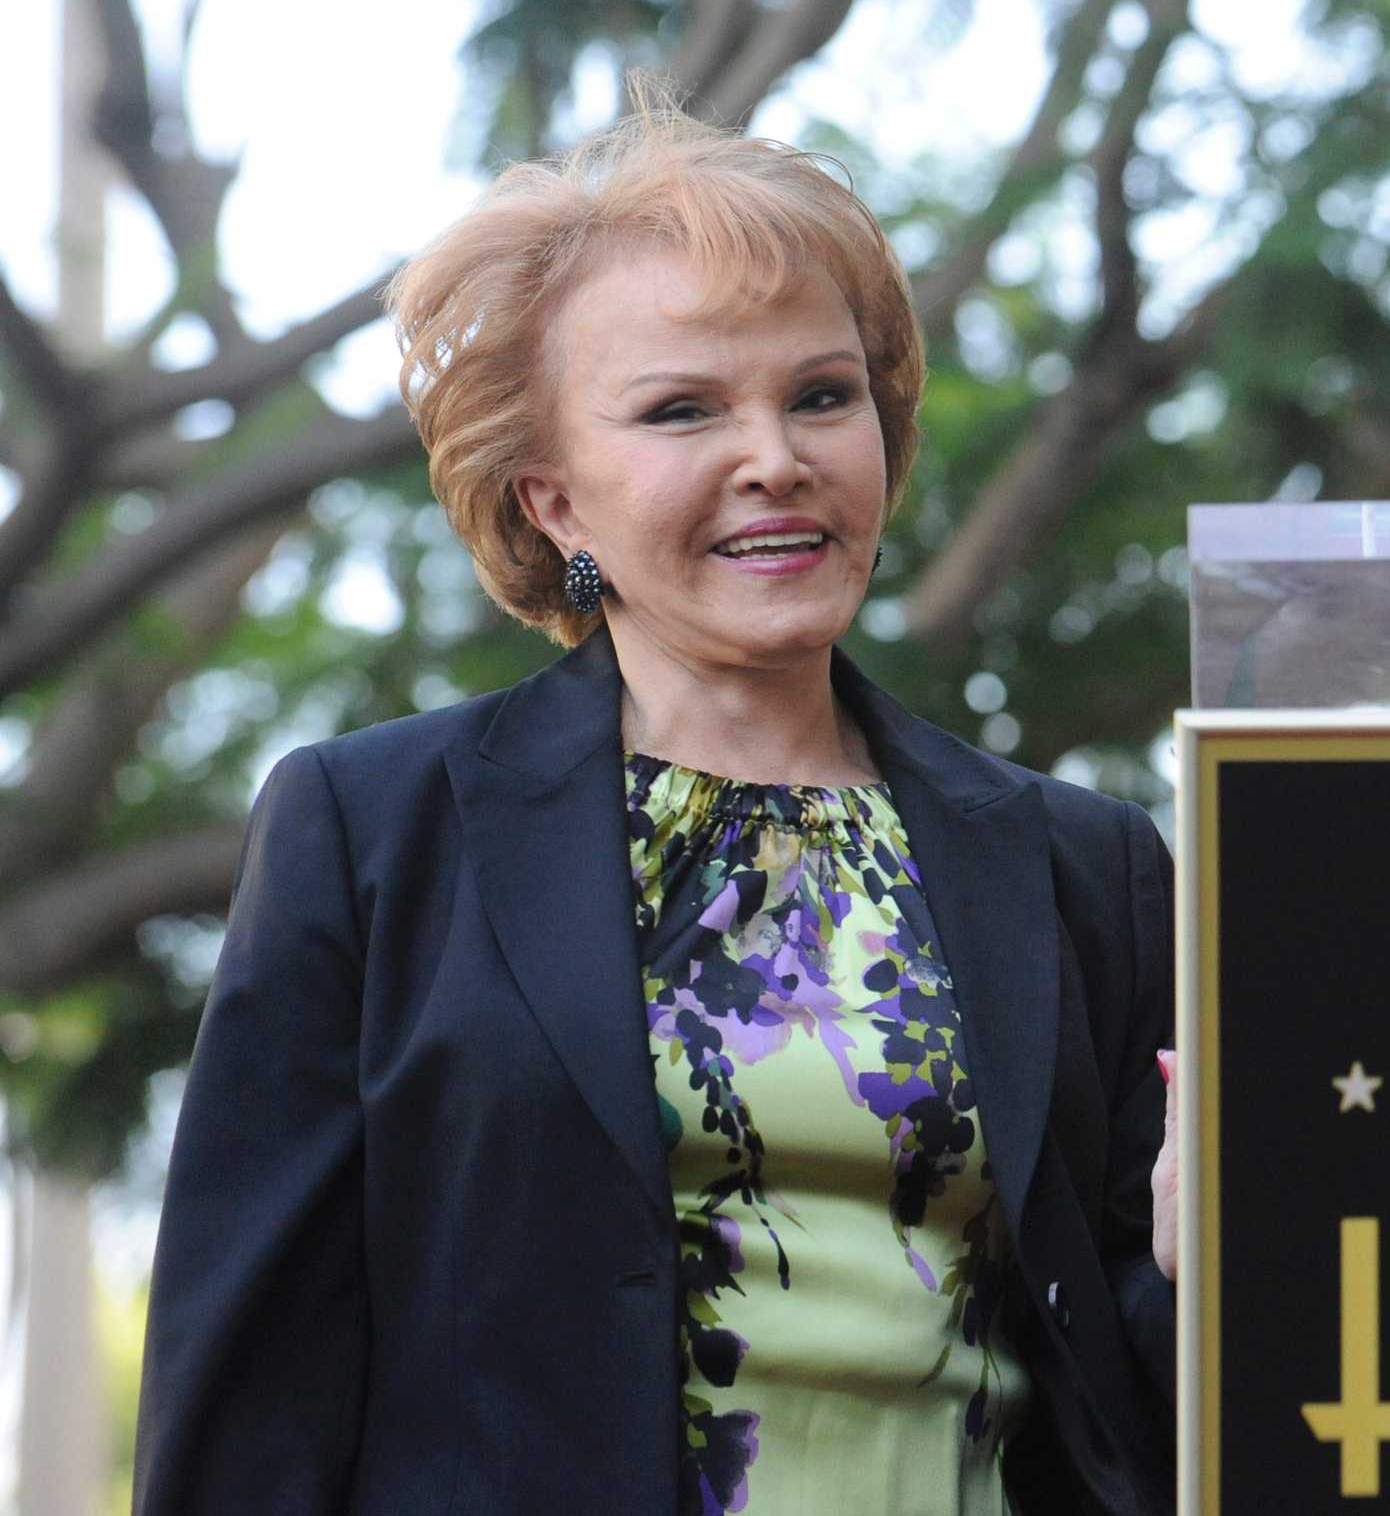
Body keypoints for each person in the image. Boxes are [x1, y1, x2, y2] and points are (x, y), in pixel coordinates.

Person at [136, 100, 1176, 1515]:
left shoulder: (1087, 865)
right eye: (684, 408)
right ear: (553, 498)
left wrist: (1195, 1266)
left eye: (821, 395)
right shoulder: (368, 834)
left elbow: (1145, 1395)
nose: (776, 457)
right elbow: (247, 1409)